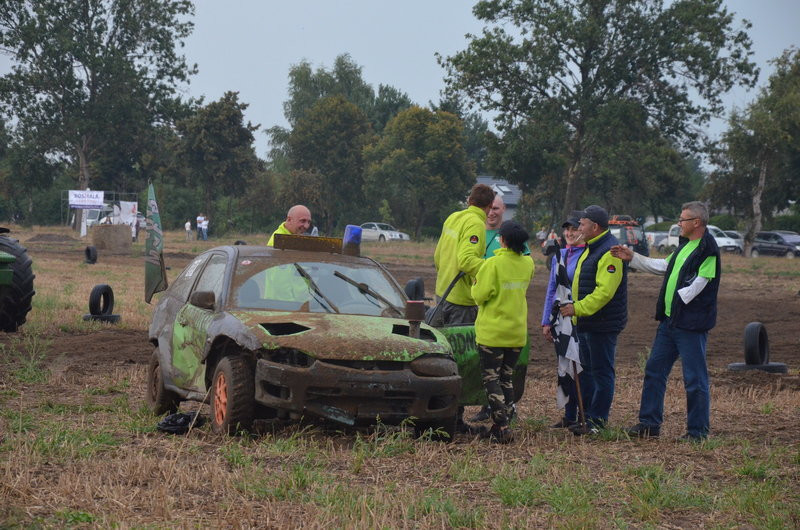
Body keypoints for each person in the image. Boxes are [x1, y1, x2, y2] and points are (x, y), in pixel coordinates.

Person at [611, 201, 720, 441]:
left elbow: (699, 285)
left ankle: (697, 432)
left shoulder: (708, 250)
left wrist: (678, 300)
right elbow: (664, 266)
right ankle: (649, 424)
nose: (678, 224)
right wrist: (633, 258)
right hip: (669, 324)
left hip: (690, 326)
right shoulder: (684, 247)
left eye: (682, 220)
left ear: (696, 222)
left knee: (694, 378)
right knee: (654, 370)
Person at [559, 205, 627, 435]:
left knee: (602, 373)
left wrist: (577, 308)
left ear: (595, 227)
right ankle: (588, 418)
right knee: (588, 372)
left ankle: (598, 422)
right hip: (588, 322)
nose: (579, 227)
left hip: (603, 324)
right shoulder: (591, 248)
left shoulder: (610, 253)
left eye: (583, 224)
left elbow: (604, 293)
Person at [471, 220, 534, 443]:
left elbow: (478, 295)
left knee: (491, 378)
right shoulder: (528, 264)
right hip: (516, 332)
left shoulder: (492, 264)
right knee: (507, 377)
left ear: (503, 241)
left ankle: (502, 425)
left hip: (493, 332)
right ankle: (508, 416)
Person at [541, 211, 585, 428]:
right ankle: (568, 415)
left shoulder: (587, 255)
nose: (569, 233)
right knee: (565, 365)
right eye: (566, 229)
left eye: (574, 229)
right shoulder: (560, 255)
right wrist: (546, 320)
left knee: (580, 367)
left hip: (580, 318)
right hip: (561, 320)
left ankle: (582, 416)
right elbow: (551, 289)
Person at [431, 183, 495, 326]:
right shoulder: (476, 224)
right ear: (490, 206)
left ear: (469, 200)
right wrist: (493, 267)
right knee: (459, 348)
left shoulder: (453, 217)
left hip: (442, 294)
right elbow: (467, 260)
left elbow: (437, 256)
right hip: (461, 303)